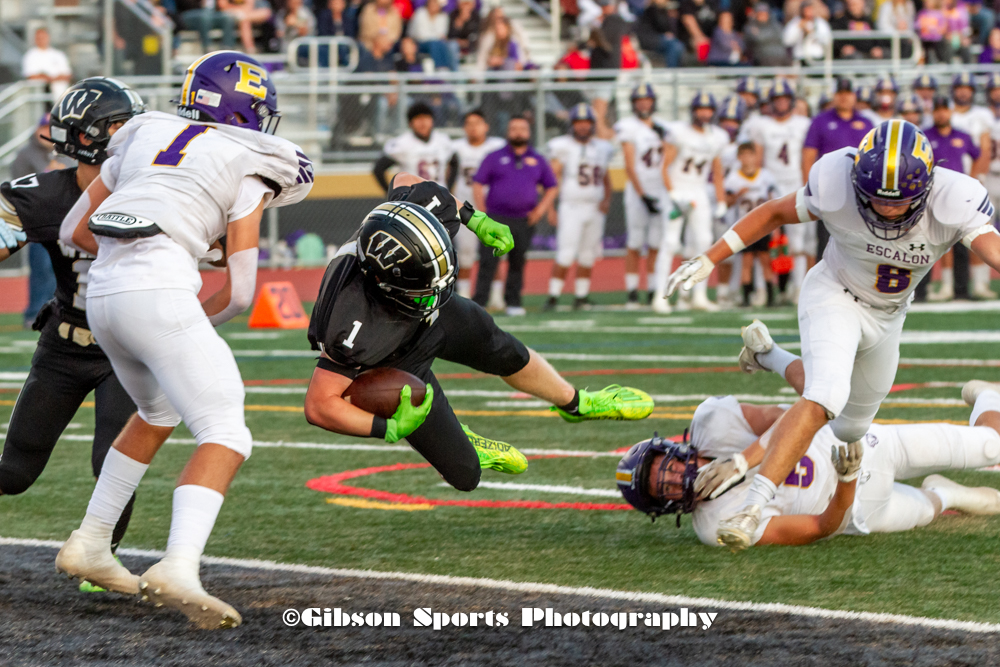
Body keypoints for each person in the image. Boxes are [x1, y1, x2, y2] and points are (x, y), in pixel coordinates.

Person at [54, 51, 314, 629]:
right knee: (227, 430)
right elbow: (241, 292)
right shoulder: (250, 159)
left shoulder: (146, 133)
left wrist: (166, 246)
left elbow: (75, 230)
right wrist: (185, 296)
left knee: (158, 410)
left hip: (102, 296)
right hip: (159, 293)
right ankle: (179, 564)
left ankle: (92, 541)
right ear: (249, 110)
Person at [665, 119, 1000, 552]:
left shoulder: (955, 197)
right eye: (875, 199)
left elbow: (992, 249)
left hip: (888, 316)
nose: (887, 210)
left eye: (899, 202)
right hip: (834, 294)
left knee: (848, 428)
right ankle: (753, 504)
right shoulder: (835, 179)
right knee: (824, 395)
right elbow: (772, 213)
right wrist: (712, 257)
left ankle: (770, 355)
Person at [302, 174, 654, 492]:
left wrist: (475, 218)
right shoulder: (351, 322)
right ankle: (465, 440)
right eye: (427, 284)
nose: (438, 285)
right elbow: (319, 405)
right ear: (386, 284)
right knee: (465, 474)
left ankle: (575, 402)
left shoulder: (405, 220)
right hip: (396, 357)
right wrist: (386, 428)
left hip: (433, 318)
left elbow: (410, 181)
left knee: (504, 349)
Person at [617, 323, 1000, 547]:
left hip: (859, 443)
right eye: (661, 488)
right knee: (928, 508)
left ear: (674, 450)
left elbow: (794, 414)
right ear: (664, 508)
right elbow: (820, 527)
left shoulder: (712, 423)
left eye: (664, 469)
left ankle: (987, 395)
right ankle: (950, 492)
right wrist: (847, 481)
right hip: (856, 509)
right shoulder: (714, 525)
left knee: (991, 446)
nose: (673, 479)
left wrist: (741, 461)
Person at [0, 79, 145, 592]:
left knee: (113, 461)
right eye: (123, 124)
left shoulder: (155, 189)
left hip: (128, 351)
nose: (136, 133)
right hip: (64, 345)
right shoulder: (45, 195)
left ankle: (100, 559)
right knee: (14, 472)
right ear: (92, 137)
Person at [471, 116, 559, 316]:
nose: (518, 132)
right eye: (514, 128)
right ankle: (479, 304)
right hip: (495, 219)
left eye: (522, 128)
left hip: (523, 219)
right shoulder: (493, 157)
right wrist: (483, 213)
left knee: (517, 261)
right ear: (507, 132)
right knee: (488, 262)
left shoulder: (537, 159)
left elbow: (552, 187)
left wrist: (540, 210)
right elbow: (477, 183)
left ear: (529, 132)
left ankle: (513, 302)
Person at [653, 92, 728, 313]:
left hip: (698, 191)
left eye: (708, 109)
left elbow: (716, 170)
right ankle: (661, 296)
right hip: (677, 190)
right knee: (670, 243)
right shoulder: (679, 133)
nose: (704, 113)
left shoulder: (717, 136)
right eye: (700, 109)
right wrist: (672, 193)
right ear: (693, 111)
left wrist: (721, 199)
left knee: (704, 242)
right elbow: (664, 166)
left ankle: (699, 296)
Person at [740, 79, 812, 302]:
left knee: (797, 241)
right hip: (772, 186)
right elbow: (758, 158)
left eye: (784, 99)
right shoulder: (761, 124)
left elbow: (807, 156)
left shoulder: (803, 123)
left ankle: (798, 287)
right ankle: (765, 288)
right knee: (766, 240)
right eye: (777, 99)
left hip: (797, 183)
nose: (781, 103)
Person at [543, 104, 614, 311]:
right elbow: (552, 179)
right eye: (578, 123)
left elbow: (606, 176)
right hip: (571, 206)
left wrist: (607, 199)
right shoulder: (563, 146)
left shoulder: (602, 147)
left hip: (594, 207)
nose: (583, 127)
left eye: (586, 123)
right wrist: (550, 209)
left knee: (587, 254)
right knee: (565, 253)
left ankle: (581, 296)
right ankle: (553, 296)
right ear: (571, 125)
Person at [925, 94, 989, 302]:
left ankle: (965, 287)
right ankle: (946, 286)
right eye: (938, 109)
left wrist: (974, 180)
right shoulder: (925, 135)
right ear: (933, 112)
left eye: (944, 109)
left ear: (950, 111)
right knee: (939, 242)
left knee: (965, 240)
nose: (941, 113)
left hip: (960, 195)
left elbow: (978, 155)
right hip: (933, 194)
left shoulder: (963, 135)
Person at [801, 77, 873, 260]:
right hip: (827, 188)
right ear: (835, 96)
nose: (844, 98)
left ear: (854, 96)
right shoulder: (820, 121)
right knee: (825, 240)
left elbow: (874, 157)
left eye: (847, 94)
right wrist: (808, 186)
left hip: (858, 190)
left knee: (859, 240)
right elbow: (808, 155)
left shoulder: (866, 123)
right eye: (840, 94)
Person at [614, 84, 671, 309]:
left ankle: (653, 289)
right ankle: (631, 292)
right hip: (639, 191)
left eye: (647, 100)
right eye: (639, 100)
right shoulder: (628, 127)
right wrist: (642, 194)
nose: (644, 104)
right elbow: (629, 164)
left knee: (657, 243)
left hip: (661, 189)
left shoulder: (664, 127)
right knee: (635, 242)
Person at [11, 116, 66, 327]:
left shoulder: (67, 153)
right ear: (37, 129)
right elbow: (18, 187)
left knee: (59, 269)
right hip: (38, 220)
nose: (48, 132)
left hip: (63, 220)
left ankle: (55, 312)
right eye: (44, 127)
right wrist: (48, 175)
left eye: (51, 128)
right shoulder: (25, 155)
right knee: (42, 267)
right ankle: (34, 312)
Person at [449, 109, 505, 299]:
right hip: (465, 209)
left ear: (486, 126)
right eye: (469, 124)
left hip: (493, 208)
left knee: (494, 253)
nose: (473, 128)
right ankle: (464, 297)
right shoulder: (455, 148)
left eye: (477, 123)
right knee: (465, 254)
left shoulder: (498, 147)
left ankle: (496, 297)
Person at [724, 143, 778, 307]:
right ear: (739, 158)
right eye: (744, 155)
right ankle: (746, 297)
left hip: (763, 225)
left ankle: (770, 297)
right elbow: (728, 202)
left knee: (765, 260)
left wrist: (775, 225)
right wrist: (737, 195)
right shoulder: (733, 178)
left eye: (750, 155)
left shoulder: (765, 175)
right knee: (746, 262)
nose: (747, 159)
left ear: (755, 156)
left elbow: (772, 200)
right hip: (744, 225)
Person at [373, 102, 454, 192]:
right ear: (410, 123)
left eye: (426, 118)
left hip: (441, 198)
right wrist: (391, 194)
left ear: (432, 121)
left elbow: (454, 161)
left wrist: (449, 187)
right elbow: (379, 168)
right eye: (418, 119)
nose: (423, 123)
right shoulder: (402, 143)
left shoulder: (442, 140)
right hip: (415, 200)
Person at [21, 28, 72, 100]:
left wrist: (47, 77)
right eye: (39, 38)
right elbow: (31, 76)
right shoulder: (30, 55)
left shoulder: (59, 54)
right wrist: (53, 78)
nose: (41, 40)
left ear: (48, 37)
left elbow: (67, 75)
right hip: (39, 98)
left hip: (59, 97)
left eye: (43, 37)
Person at [636, 0, 685, 68]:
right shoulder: (651, 9)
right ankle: (672, 72)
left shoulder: (663, 10)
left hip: (658, 38)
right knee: (674, 45)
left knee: (678, 44)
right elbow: (661, 25)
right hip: (648, 39)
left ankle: (677, 71)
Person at [409, 0, 455, 70]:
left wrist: (435, 37)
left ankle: (448, 69)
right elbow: (420, 34)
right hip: (418, 43)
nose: (434, 5)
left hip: (436, 43)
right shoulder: (420, 13)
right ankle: (440, 67)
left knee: (445, 44)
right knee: (434, 43)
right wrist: (435, 36)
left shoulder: (443, 16)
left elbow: (442, 34)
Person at [782, 0, 831, 65]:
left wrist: (813, 33)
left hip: (816, 57)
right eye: (805, 10)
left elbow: (827, 40)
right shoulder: (795, 23)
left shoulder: (820, 23)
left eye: (809, 10)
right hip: (800, 57)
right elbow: (787, 40)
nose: (808, 13)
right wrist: (798, 28)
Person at [743, 2, 791, 67]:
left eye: (765, 14)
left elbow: (781, 36)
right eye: (761, 14)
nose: (763, 16)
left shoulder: (775, 25)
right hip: (763, 58)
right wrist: (767, 36)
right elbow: (758, 39)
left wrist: (761, 34)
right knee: (770, 59)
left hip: (781, 56)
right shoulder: (750, 26)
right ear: (756, 14)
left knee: (791, 65)